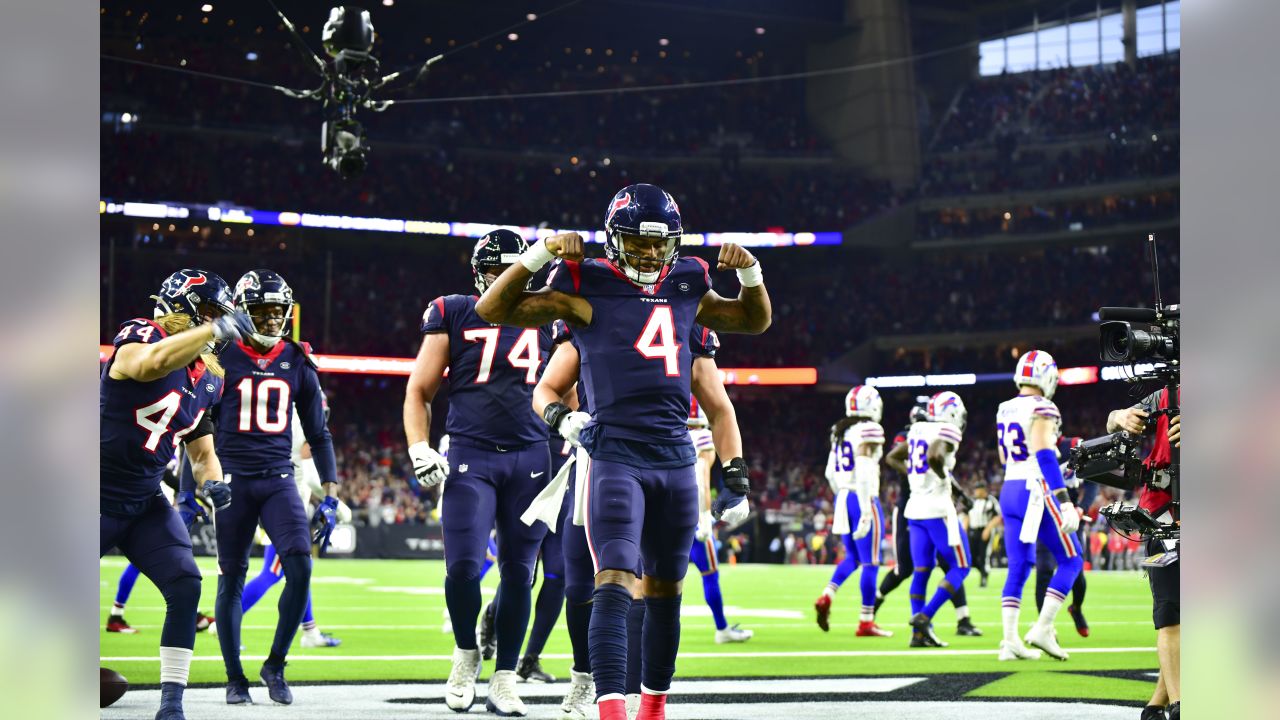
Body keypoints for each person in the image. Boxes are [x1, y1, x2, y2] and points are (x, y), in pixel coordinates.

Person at [476, 183, 770, 720]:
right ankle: (609, 708)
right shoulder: (584, 282)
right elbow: (493, 306)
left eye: (661, 245)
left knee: (666, 590)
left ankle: (652, 708)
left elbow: (753, 320)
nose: (652, 254)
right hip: (614, 453)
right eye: (638, 243)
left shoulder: (689, 281)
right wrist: (539, 253)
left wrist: (750, 274)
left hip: (678, 457)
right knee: (611, 577)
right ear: (614, 240)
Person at [403, 229, 553, 715]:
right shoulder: (453, 310)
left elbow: (568, 390)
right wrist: (419, 446)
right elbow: (419, 390)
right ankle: (467, 651)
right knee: (464, 567)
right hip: (471, 453)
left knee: (519, 571)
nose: (508, 280)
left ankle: (505, 676)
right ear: (478, 273)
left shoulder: (551, 315)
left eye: (517, 269)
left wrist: (581, 432)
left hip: (533, 456)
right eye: (497, 270)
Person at [101, 269, 248, 720]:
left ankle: (171, 706)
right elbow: (149, 364)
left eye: (217, 317)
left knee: (185, 583)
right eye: (205, 313)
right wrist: (215, 327)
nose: (213, 326)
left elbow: (202, 452)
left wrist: (214, 482)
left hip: (144, 498)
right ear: (179, 305)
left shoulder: (209, 378)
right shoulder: (141, 333)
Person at [212, 270, 341, 705]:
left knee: (301, 568)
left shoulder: (297, 359)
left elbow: (319, 434)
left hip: (278, 476)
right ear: (243, 314)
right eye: (262, 313)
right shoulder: (220, 354)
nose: (271, 321)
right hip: (231, 479)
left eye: (278, 313)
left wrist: (332, 491)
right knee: (231, 578)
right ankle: (235, 677)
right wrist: (195, 487)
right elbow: (196, 423)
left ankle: (275, 664)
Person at [209, 411, 351, 648]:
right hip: (284, 511)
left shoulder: (280, 416)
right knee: (273, 573)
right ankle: (221, 623)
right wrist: (339, 504)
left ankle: (310, 631)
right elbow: (311, 477)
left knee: (300, 571)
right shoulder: (299, 421)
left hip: (272, 502)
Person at [994, 350, 1083, 662]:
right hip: (1036, 490)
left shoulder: (1005, 408)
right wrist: (1065, 501)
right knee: (1072, 559)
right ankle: (1043, 627)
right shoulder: (1043, 406)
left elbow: (1004, 457)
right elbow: (1045, 455)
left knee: (1019, 565)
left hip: (1009, 488)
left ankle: (1009, 641)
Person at [877, 398, 981, 637]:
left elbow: (892, 457)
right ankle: (925, 617)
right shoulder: (946, 430)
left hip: (915, 509)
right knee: (961, 566)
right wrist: (943, 478)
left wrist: (915, 476)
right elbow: (935, 456)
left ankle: (919, 637)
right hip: (937, 508)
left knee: (922, 569)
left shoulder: (917, 430)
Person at [1108, 385, 1180, 720]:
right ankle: (1178, 704)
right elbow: (1112, 421)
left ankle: (1160, 704)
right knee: (1169, 611)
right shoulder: (1168, 393)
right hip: (1161, 515)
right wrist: (1119, 417)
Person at [814, 385, 891, 637]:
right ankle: (866, 621)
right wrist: (867, 508)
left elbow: (828, 472)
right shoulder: (869, 429)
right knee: (871, 561)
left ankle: (827, 594)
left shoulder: (840, 431)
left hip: (843, 497)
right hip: (862, 496)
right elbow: (866, 466)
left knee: (853, 557)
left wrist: (843, 495)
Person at [967, 480, 1001, 589]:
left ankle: (984, 576)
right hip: (973, 531)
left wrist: (988, 529)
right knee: (971, 557)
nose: (976, 491)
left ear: (983, 490)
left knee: (983, 555)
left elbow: (998, 516)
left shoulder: (991, 501)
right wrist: (965, 529)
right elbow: (966, 514)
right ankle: (983, 571)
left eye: (978, 489)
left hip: (985, 529)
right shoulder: (972, 501)